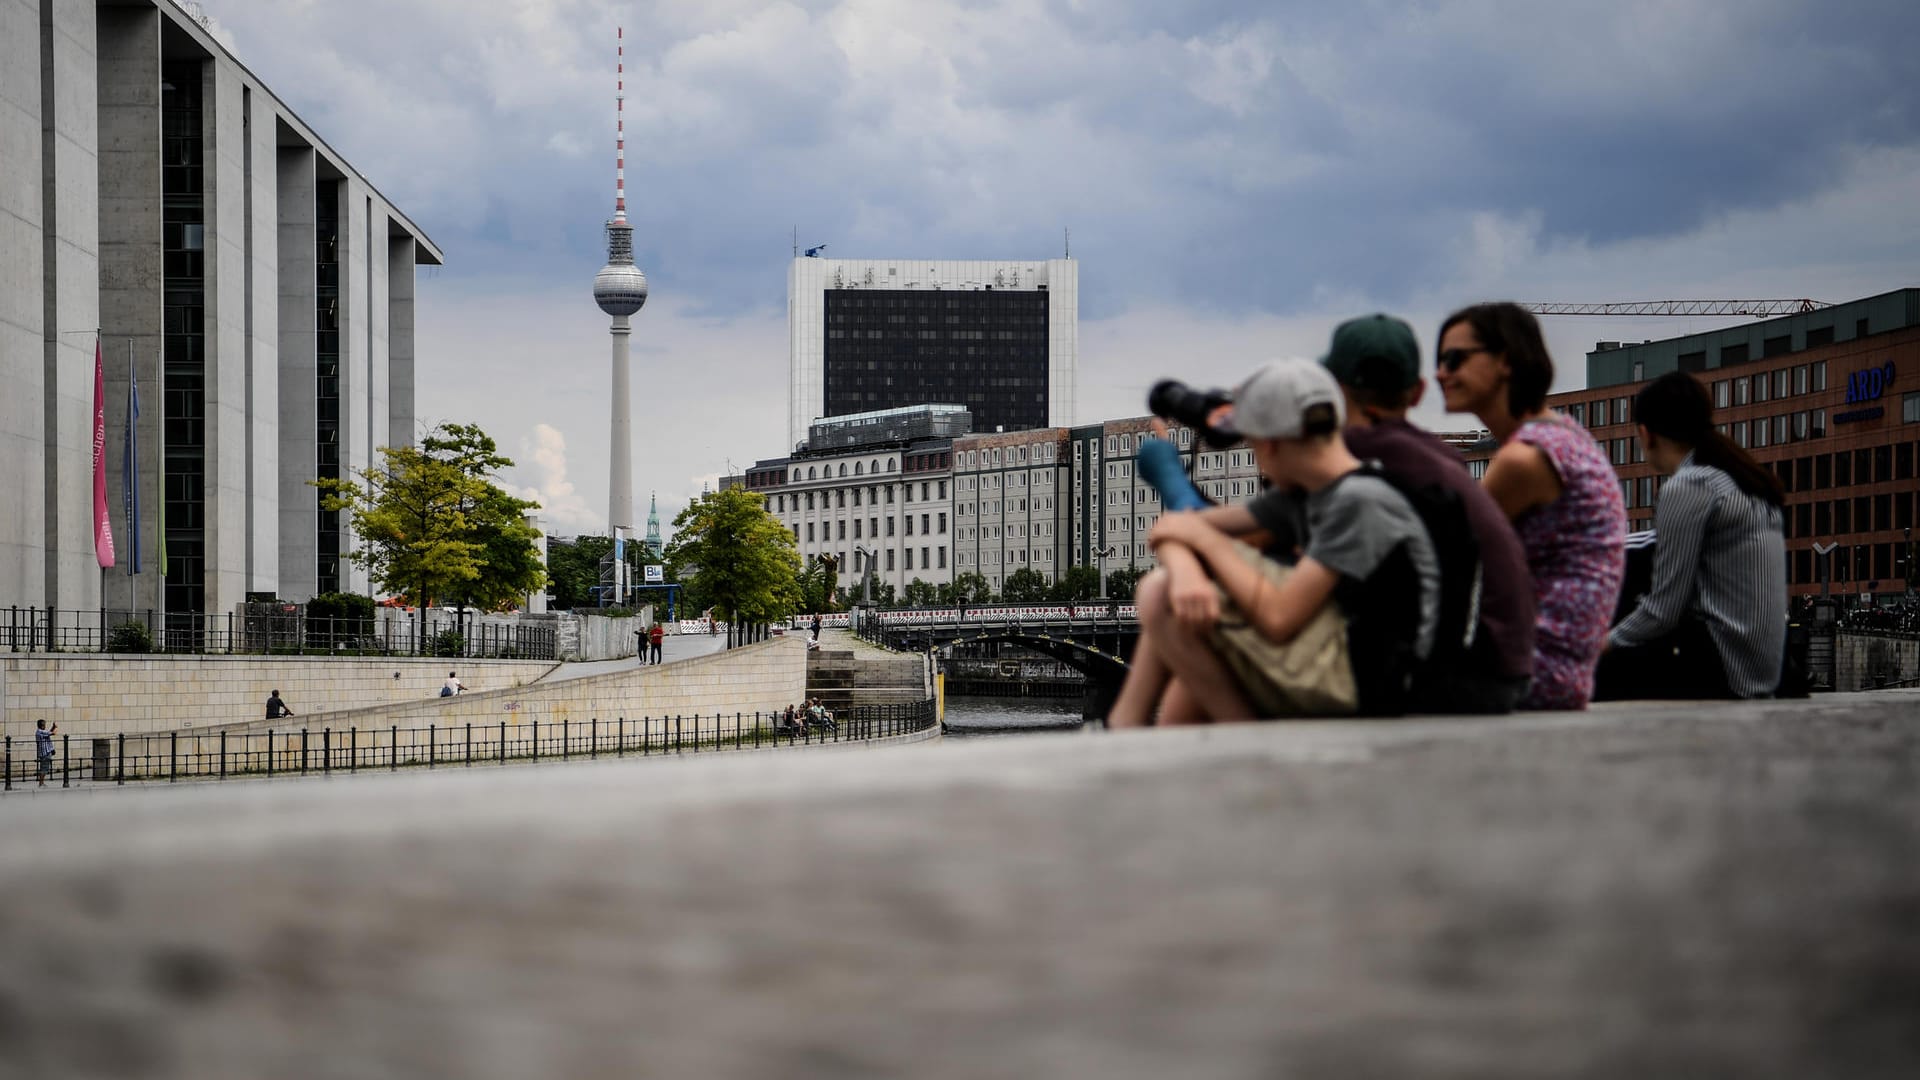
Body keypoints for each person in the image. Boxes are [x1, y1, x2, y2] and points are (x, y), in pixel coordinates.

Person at [1108, 359, 1439, 725]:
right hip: (1339, 657)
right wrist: (1187, 569)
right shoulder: (1307, 494)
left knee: (1161, 597)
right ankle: (1132, 732)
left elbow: (1279, 618)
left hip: (1368, 681)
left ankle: (1239, 733)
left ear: (1270, 445)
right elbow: (1177, 526)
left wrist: (1202, 545)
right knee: (1176, 607)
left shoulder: (1359, 501)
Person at [1313, 314, 1536, 712]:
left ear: (1334, 387)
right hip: (1508, 667)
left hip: (1459, 678)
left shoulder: (1355, 451)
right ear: (1417, 393)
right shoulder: (1437, 454)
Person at [1436, 302, 1625, 709]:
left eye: (1454, 359)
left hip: (1531, 671)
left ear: (1504, 361)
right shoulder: (1564, 434)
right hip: (1562, 670)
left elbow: (1446, 555)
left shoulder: (1524, 459)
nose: (1440, 373)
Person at [1595, 373, 1787, 699]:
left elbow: (1664, 610)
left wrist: (1603, 642)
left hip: (1724, 669)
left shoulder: (1690, 485)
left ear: (1646, 434)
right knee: (1641, 557)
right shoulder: (1744, 480)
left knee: (1591, 671)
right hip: (1763, 671)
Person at [35, 718, 56, 787]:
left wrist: (53, 727)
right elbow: (52, 733)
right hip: (45, 753)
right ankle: (41, 783)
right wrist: (55, 728)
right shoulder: (40, 732)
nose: (45, 726)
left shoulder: (40, 732)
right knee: (44, 768)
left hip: (45, 752)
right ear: (42, 726)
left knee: (45, 768)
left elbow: (48, 733)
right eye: (44, 725)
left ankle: (41, 783)